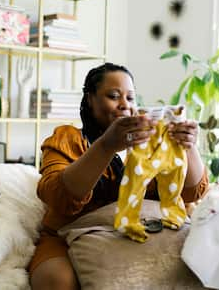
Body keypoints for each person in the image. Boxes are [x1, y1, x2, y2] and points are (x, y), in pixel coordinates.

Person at [29, 63, 209, 290]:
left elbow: (193, 192)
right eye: (114, 96)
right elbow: (57, 196)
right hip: (67, 235)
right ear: (90, 99)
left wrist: (188, 146)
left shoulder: (153, 142)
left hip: (141, 232)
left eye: (131, 98)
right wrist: (106, 146)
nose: (125, 104)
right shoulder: (68, 138)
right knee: (57, 281)